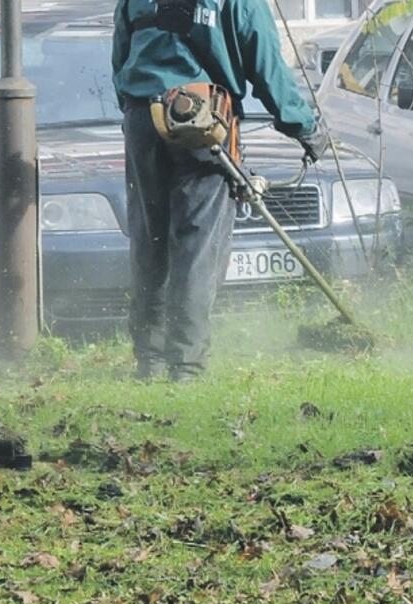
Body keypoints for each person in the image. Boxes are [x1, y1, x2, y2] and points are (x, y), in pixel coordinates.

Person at [112, 0, 328, 381]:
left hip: (143, 118)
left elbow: (120, 58)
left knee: (150, 238)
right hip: (201, 118)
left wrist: (140, 118)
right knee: (197, 245)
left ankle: (150, 361)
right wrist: (304, 127)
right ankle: (186, 367)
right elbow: (266, 67)